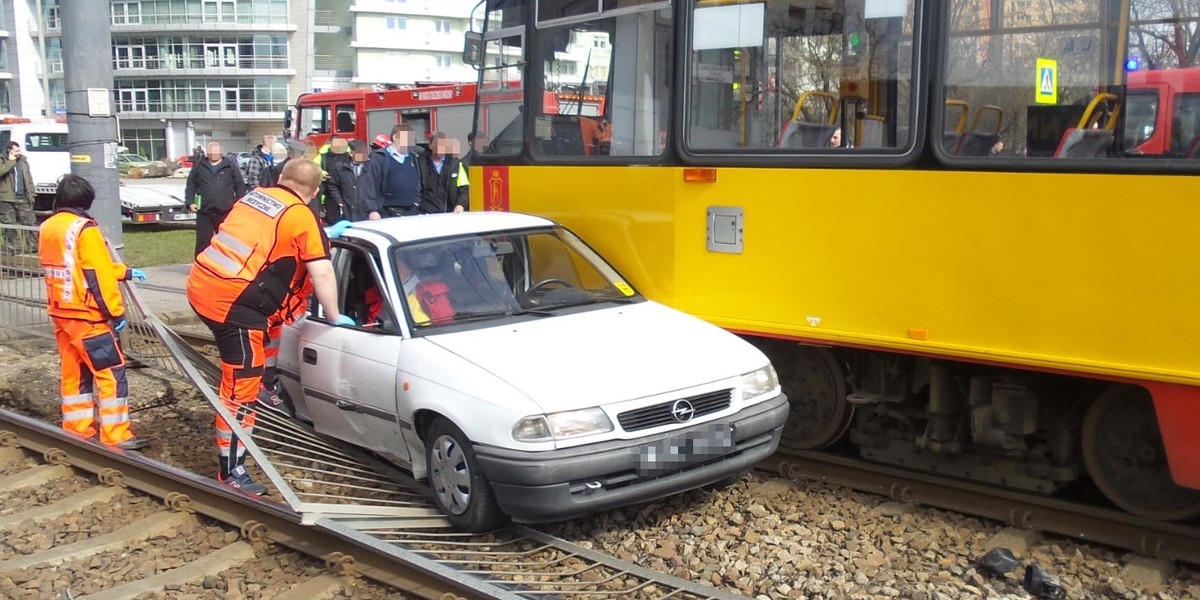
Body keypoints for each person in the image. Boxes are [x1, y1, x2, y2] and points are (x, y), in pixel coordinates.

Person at [187, 159, 355, 495]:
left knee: (275, 319)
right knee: (239, 390)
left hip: (202, 285)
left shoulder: (254, 196)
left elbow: (266, 238)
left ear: (281, 178)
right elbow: (321, 272)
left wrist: (321, 234)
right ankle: (231, 469)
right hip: (235, 306)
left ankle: (266, 383)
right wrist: (335, 316)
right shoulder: (301, 215)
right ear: (315, 192)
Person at [39, 175, 150, 450]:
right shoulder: (85, 229)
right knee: (111, 373)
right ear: (86, 201)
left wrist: (123, 272)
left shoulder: (49, 226)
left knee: (74, 373)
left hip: (62, 312)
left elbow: (76, 267)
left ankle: (77, 429)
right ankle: (116, 434)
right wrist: (116, 312)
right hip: (88, 316)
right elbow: (96, 274)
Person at [185, 141, 247, 257]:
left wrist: (237, 203)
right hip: (204, 210)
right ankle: (201, 266)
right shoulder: (199, 166)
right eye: (211, 152)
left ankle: (225, 267)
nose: (213, 154)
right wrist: (190, 202)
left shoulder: (230, 166)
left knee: (226, 241)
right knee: (203, 241)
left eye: (216, 152)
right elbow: (191, 185)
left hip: (225, 210)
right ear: (207, 153)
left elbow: (240, 186)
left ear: (220, 152)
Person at [362, 124, 424, 219]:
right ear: (395, 137)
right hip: (386, 212)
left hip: (411, 212)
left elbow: (418, 183)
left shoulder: (413, 157)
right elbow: (370, 184)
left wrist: (416, 203)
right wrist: (372, 210)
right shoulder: (380, 157)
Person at [0, 141, 37, 255]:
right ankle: (13, 248)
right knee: (9, 224)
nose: (19, 153)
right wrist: (11, 161)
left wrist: (31, 192)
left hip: (23, 197)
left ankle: (33, 247)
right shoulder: (3, 160)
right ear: (9, 151)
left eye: (19, 150)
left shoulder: (23, 161)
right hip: (6, 197)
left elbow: (28, 178)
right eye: (16, 151)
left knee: (30, 222)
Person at [419, 132, 468, 214]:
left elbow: (465, 189)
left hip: (450, 213)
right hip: (426, 214)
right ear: (430, 146)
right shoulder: (420, 164)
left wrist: (461, 205)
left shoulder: (457, 164)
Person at [327, 138, 370, 222]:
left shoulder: (371, 167)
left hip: (366, 211)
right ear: (351, 153)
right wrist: (339, 201)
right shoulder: (340, 167)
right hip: (348, 211)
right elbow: (333, 185)